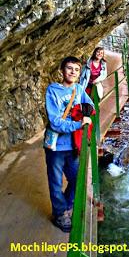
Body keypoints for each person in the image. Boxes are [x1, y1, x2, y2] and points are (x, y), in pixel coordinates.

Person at [44, 56, 94, 233]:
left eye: (76, 69)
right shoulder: (53, 90)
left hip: (73, 145)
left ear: (79, 73)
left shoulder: (79, 89)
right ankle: (59, 214)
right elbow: (55, 121)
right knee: (55, 182)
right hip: (56, 146)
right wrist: (78, 123)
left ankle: (65, 205)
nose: (73, 72)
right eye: (69, 68)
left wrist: (82, 111)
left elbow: (90, 105)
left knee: (76, 179)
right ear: (62, 70)